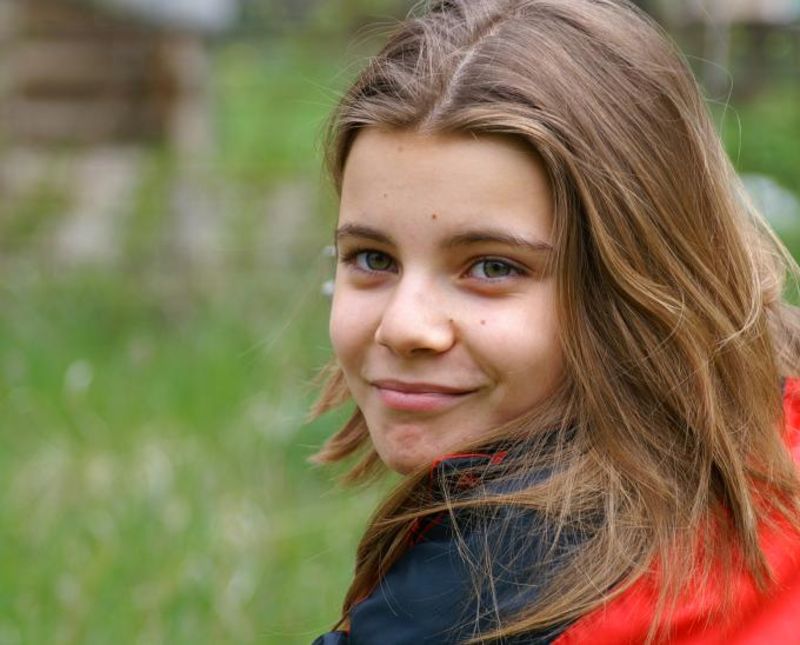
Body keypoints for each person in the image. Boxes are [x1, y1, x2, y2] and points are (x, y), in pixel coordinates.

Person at [310, 0, 800, 642]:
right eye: (373, 258)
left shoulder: (482, 604)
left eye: (492, 267)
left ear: (641, 279)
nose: (403, 327)